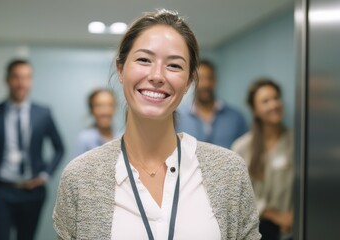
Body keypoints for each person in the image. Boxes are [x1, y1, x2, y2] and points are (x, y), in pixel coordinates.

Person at [53, 9, 260, 240]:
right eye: (143, 59)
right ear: (121, 69)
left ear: (189, 80)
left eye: (174, 65)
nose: (157, 75)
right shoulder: (80, 177)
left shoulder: (229, 172)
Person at [0, 59, 65, 240]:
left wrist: (44, 175)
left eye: (26, 78)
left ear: (31, 81)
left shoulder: (43, 113)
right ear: (7, 80)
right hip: (1, 191)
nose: (21, 83)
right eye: (16, 78)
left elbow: (59, 148)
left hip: (32, 192)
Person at [232, 79, 293, 240]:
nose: (274, 105)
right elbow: (237, 193)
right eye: (265, 101)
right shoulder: (241, 147)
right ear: (255, 110)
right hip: (252, 231)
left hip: (287, 232)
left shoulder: (296, 143)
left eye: (276, 98)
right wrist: (272, 213)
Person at [176, 59, 248, 149]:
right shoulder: (178, 117)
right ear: (193, 81)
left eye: (209, 78)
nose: (206, 84)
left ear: (215, 81)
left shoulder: (236, 118)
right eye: (201, 79)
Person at [74, 89, 116, 156]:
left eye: (109, 105)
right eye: (99, 106)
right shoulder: (85, 139)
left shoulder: (122, 137)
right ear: (92, 110)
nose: (105, 111)